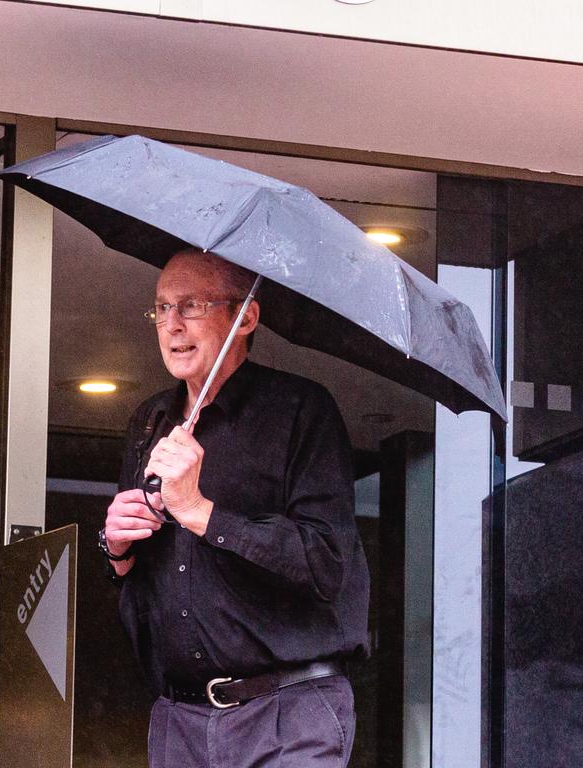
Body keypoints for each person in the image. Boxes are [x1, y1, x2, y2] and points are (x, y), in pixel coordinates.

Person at [101, 248, 370, 768]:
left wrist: (200, 511)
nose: (171, 325)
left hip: (286, 713)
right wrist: (116, 548)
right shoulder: (151, 421)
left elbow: (327, 562)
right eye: (161, 308)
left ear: (245, 316)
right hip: (179, 717)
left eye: (191, 306)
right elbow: (140, 574)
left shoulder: (300, 410)